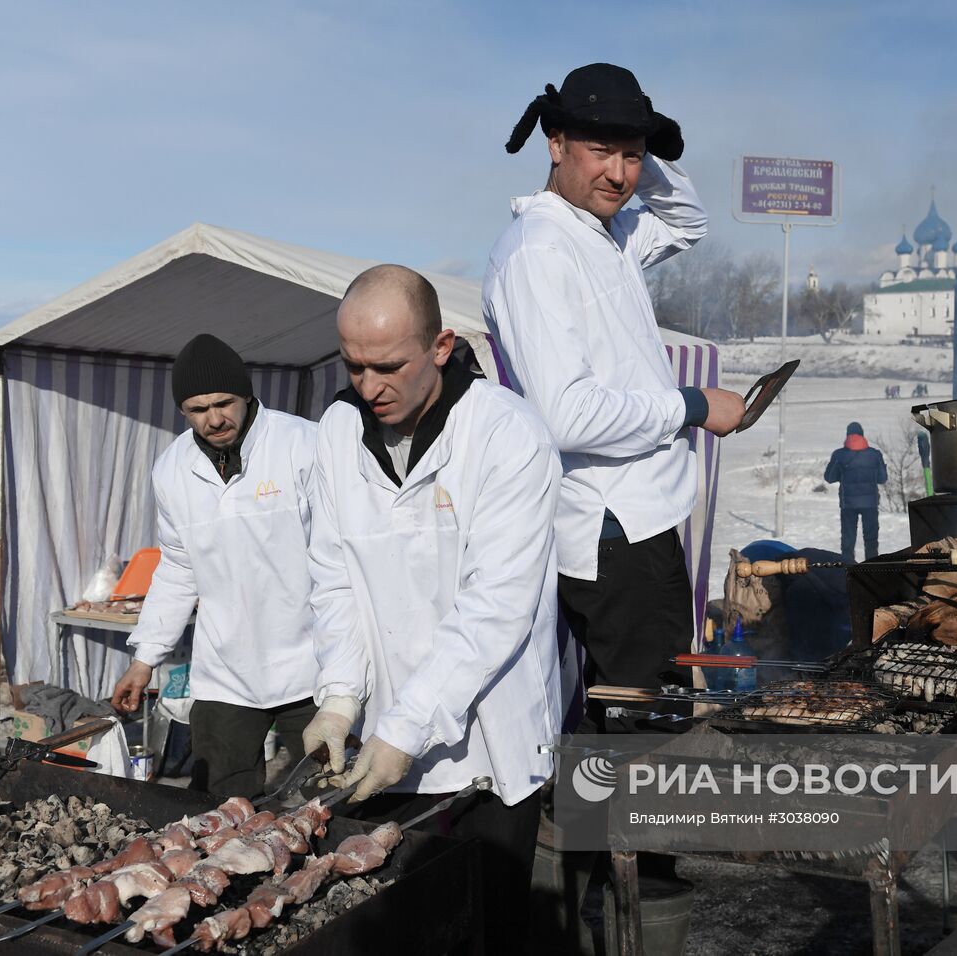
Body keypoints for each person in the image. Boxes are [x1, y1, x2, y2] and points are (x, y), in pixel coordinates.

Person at [302, 265, 562, 951]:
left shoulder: (507, 435)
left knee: (488, 927)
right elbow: (336, 578)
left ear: (441, 347)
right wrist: (337, 698)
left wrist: (407, 725)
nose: (369, 387)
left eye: (388, 366)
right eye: (353, 366)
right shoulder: (335, 432)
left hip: (489, 741)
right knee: (392, 929)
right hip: (388, 737)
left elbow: (496, 606)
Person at [482, 62, 744, 734]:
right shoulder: (541, 252)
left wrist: (639, 142)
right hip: (612, 531)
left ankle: (609, 840)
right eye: (601, 151)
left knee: (637, 718)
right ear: (555, 142)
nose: (621, 175)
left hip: (637, 520)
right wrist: (690, 405)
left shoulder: (608, 234)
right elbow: (567, 416)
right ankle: (631, 838)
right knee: (646, 730)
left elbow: (688, 222)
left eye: (633, 157)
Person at [109, 334, 322, 798]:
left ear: (246, 394)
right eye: (197, 409)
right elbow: (178, 567)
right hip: (226, 669)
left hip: (313, 664)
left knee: (337, 797)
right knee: (221, 809)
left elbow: (341, 557)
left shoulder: (303, 446)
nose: (214, 418)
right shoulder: (172, 469)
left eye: (224, 402)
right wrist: (145, 658)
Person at [824, 421, 888, 562]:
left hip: (848, 504)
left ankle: (847, 570)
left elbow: (829, 478)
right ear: (862, 435)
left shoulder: (839, 455)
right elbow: (882, 478)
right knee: (871, 539)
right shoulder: (874, 455)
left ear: (847, 435)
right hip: (870, 504)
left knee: (848, 540)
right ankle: (872, 570)